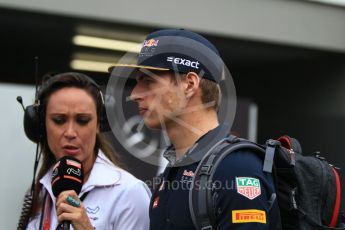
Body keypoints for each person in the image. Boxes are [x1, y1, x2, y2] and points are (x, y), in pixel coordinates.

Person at [109, 29, 280, 229]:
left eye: (148, 81)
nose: (136, 94)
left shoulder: (236, 169)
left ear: (189, 84)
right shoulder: (176, 169)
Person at [23, 72, 151, 229]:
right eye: (59, 120)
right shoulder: (41, 191)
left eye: (82, 121)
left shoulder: (129, 193)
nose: (70, 132)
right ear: (41, 125)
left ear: (98, 124)